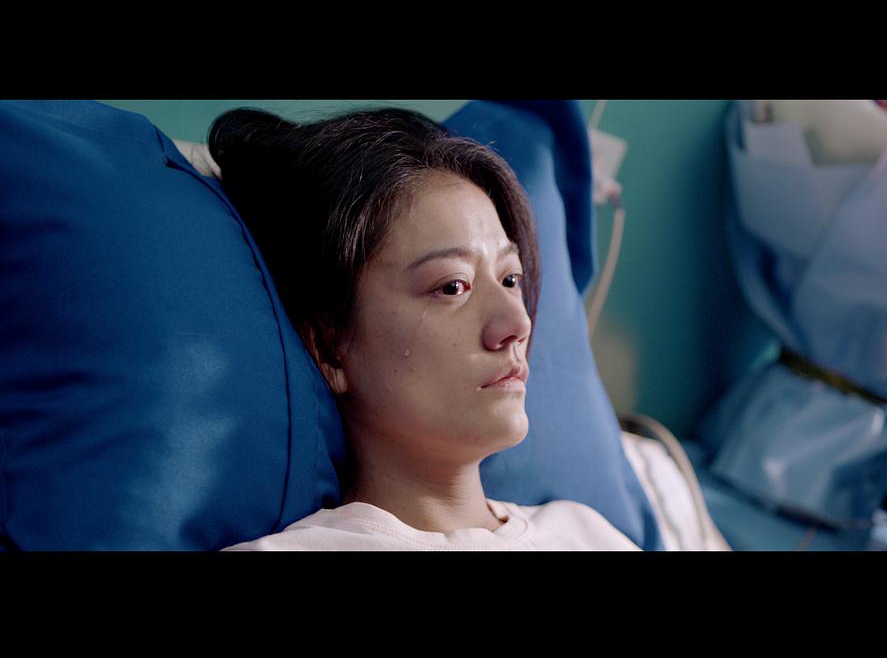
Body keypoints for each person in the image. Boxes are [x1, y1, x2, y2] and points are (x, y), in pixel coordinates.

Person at [204, 107, 640, 550]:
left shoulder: (586, 533)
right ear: (330, 349)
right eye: (453, 287)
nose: (517, 324)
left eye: (511, 279)